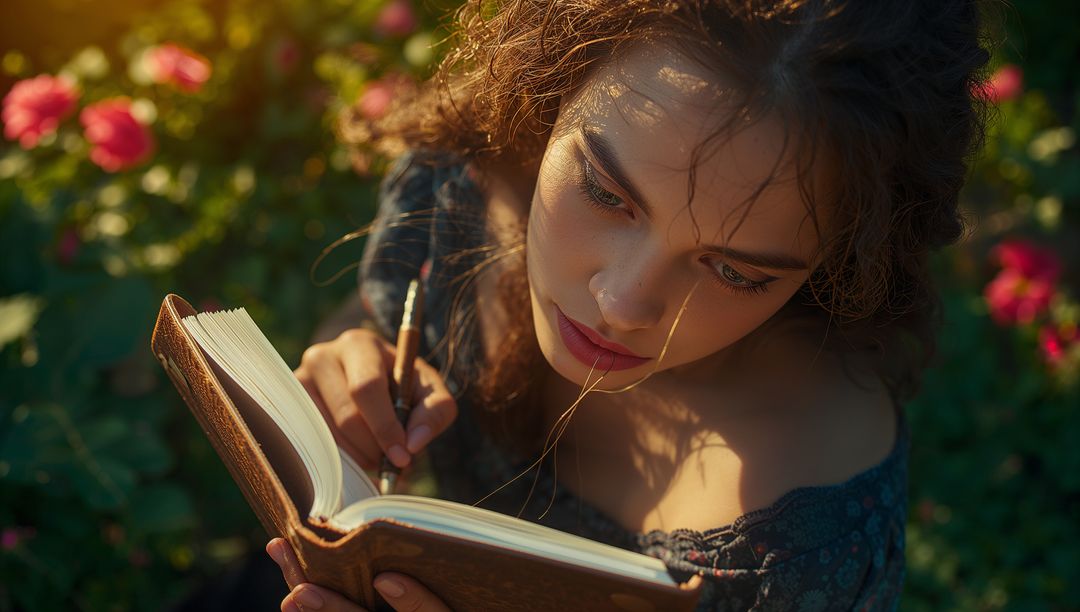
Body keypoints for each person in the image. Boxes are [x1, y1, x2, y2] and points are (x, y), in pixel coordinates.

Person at [266, 0, 991, 610]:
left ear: (837, 267)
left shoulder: (796, 539)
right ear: (555, 80)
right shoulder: (472, 182)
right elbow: (385, 302)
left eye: (736, 273)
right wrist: (356, 360)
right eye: (606, 195)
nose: (620, 302)